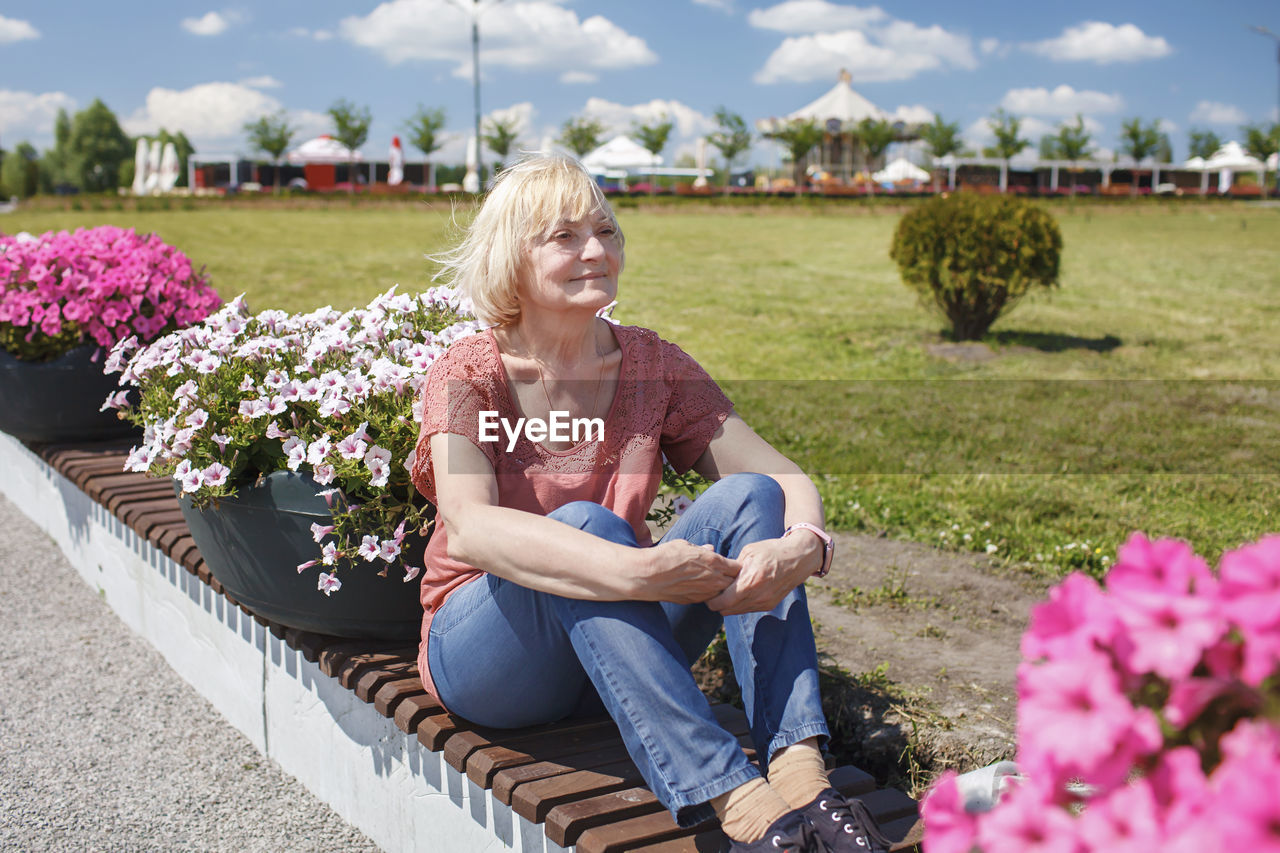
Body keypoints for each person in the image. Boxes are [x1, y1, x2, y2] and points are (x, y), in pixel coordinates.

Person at [410, 155, 889, 852]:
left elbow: (782, 478)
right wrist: (634, 571)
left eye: (606, 230)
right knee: (587, 529)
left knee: (750, 497)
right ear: (511, 257)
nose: (597, 250)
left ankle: (799, 771)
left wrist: (805, 543)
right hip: (489, 657)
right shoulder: (469, 373)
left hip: (614, 643)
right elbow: (473, 528)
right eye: (565, 236)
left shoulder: (649, 364)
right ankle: (740, 803)